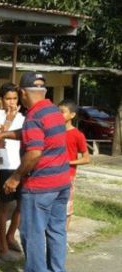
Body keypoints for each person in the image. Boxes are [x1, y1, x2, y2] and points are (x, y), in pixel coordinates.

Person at [0, 72, 70, 272]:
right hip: (61, 182)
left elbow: (34, 152)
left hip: (40, 185)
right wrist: (4, 135)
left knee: (32, 232)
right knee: (56, 231)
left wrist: (15, 177)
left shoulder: (33, 116)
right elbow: (30, 133)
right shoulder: (53, 111)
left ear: (23, 93)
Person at [0, 83, 25, 261]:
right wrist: (8, 120)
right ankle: (2, 246)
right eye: (8, 98)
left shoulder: (24, 118)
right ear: (1, 100)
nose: (11, 102)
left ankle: (10, 236)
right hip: (3, 166)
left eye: (14, 98)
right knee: (4, 206)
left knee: (22, 204)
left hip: (21, 165)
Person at [58, 99, 90, 231]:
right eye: (57, 112)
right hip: (52, 174)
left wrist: (68, 162)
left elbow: (86, 159)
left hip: (68, 175)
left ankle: (63, 235)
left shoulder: (78, 135)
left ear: (72, 115)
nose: (59, 115)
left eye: (62, 112)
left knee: (66, 207)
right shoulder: (54, 132)